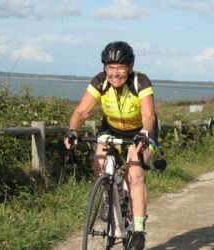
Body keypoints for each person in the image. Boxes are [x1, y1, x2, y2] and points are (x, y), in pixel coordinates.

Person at [64, 41, 157, 250]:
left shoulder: (140, 81)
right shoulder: (99, 81)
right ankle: (111, 195)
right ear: (105, 68)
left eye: (120, 67)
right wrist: (72, 130)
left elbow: (149, 115)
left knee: (134, 173)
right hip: (112, 129)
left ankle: (139, 231)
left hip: (141, 131)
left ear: (130, 66)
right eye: (110, 67)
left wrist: (143, 134)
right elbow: (82, 111)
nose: (115, 73)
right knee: (99, 166)